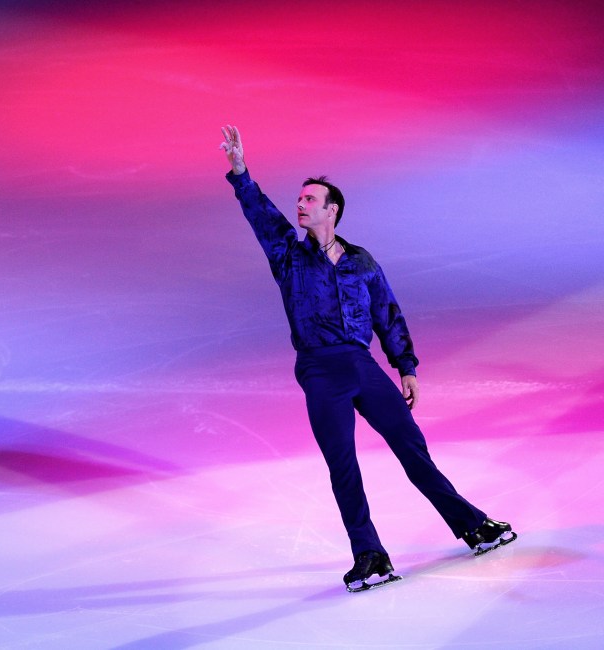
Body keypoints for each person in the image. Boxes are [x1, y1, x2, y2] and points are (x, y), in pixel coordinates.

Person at [219, 125, 516, 592]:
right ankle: (370, 554)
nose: (300, 204)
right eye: (299, 198)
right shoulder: (287, 256)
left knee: (413, 450)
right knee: (344, 465)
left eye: (309, 199)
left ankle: (472, 525)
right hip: (320, 371)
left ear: (331, 209)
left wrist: (407, 367)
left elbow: (388, 314)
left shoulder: (361, 262)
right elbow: (261, 214)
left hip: (364, 367)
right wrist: (241, 171)